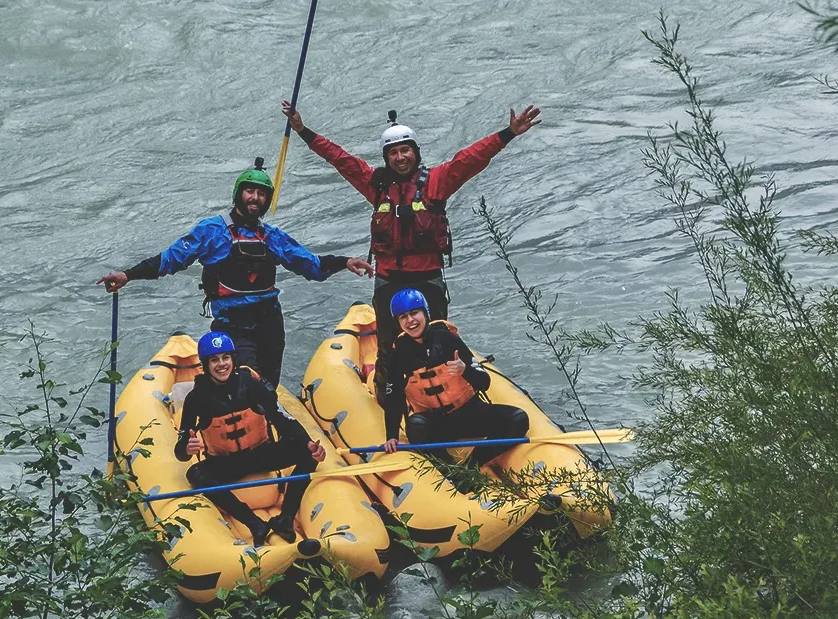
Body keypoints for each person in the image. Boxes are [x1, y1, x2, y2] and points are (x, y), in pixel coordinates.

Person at [280, 101, 541, 401]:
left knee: (439, 340)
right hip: (389, 279)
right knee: (388, 345)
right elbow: (341, 159)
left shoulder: (436, 182)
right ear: (386, 158)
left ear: (415, 152)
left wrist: (508, 133)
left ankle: (451, 396)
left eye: (405, 150)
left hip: (427, 277)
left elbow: (471, 159)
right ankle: (386, 396)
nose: (400, 157)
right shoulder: (376, 186)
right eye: (393, 153)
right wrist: (303, 130)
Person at [97, 158, 373, 386]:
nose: (255, 198)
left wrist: (345, 261)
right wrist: (128, 275)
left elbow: (310, 265)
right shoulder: (211, 231)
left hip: (269, 323)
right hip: (232, 325)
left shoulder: (272, 237)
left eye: (262, 194)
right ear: (238, 194)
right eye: (250, 191)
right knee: (250, 384)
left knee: (268, 386)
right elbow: (170, 260)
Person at [175, 332, 327, 547]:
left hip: (261, 453)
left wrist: (307, 443)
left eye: (225, 358)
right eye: (214, 360)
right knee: (195, 474)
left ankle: (285, 518)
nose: (221, 364)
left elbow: (280, 416)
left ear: (233, 359)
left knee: (307, 454)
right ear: (206, 365)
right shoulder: (196, 398)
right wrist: (186, 448)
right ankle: (254, 523)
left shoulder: (250, 384)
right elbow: (181, 449)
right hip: (225, 463)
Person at [381, 288, 529, 472]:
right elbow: (394, 397)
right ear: (398, 322)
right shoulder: (399, 354)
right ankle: (450, 471)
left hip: (469, 413)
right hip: (436, 423)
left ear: (425, 314)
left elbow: (484, 383)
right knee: (415, 426)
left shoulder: (447, 339)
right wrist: (392, 436)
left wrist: (464, 370)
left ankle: (474, 463)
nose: (410, 320)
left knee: (518, 419)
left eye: (414, 313)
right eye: (403, 317)